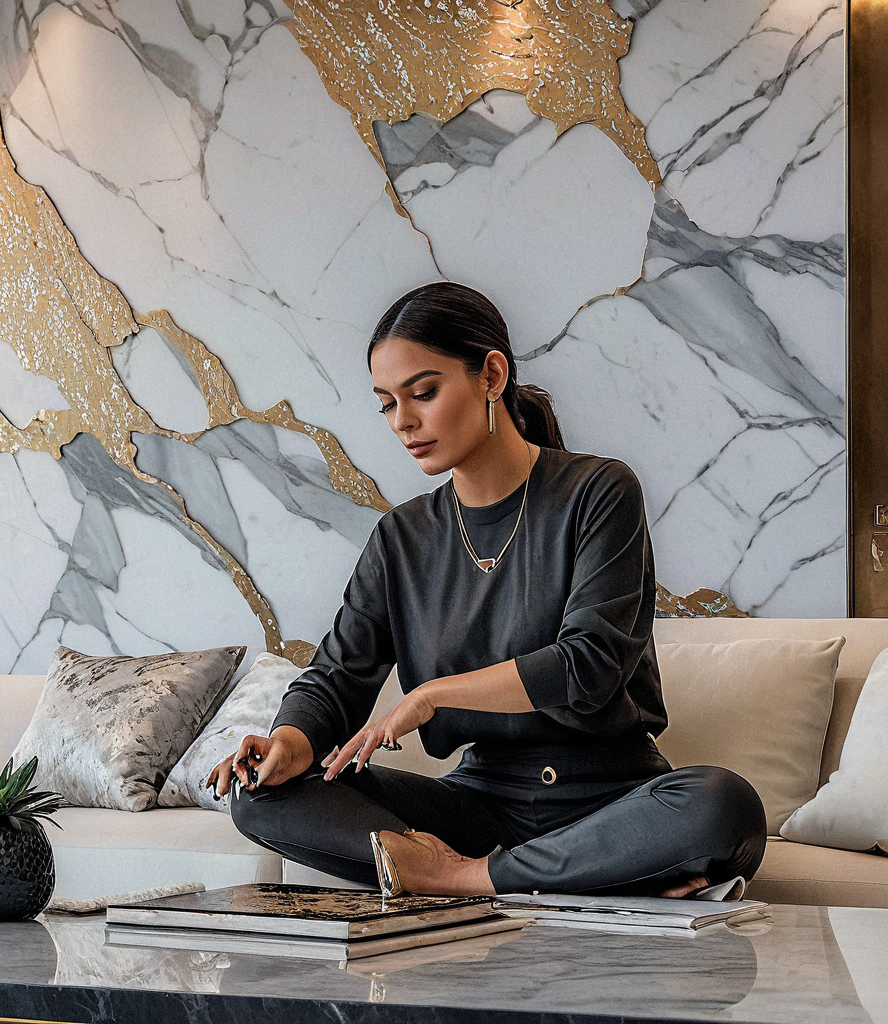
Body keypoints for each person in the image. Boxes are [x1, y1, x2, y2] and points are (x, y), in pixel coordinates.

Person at [209, 282, 766, 898]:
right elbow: (340, 675)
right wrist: (289, 743)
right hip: (478, 809)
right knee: (261, 801)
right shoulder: (402, 537)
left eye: (423, 392)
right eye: (386, 404)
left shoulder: (599, 492)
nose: (404, 422)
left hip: (611, 802)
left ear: (492, 375)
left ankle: (466, 878)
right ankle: (567, 878)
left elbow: (589, 667)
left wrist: (432, 697)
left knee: (721, 805)